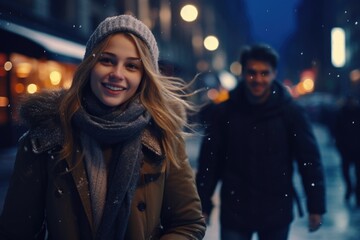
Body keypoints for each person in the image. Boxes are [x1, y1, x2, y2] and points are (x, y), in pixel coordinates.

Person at [0, 14, 206, 240]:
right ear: (90, 64)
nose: (117, 74)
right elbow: (16, 231)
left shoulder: (163, 135)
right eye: (107, 60)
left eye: (131, 66)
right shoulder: (45, 137)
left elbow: (188, 223)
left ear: (144, 76)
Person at [195, 44, 326, 240]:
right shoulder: (224, 112)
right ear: (243, 73)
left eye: (264, 73)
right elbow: (209, 162)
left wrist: (316, 206)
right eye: (252, 73)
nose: (258, 79)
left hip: (276, 212)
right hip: (235, 211)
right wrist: (202, 205)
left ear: (274, 74)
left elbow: (309, 161)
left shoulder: (290, 112)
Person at [333, 95, 360, 205]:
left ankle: (355, 191)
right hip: (348, 148)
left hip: (352, 149)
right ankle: (352, 190)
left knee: (353, 172)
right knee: (349, 172)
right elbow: (337, 131)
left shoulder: (342, 113)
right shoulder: (342, 114)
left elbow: (336, 131)